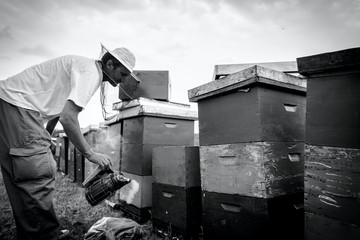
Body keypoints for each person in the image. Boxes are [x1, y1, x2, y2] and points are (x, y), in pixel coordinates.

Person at [0, 43, 136, 240]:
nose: (123, 80)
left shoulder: (83, 66)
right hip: (18, 107)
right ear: (109, 64)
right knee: (36, 175)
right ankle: (45, 235)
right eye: (122, 74)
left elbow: (58, 110)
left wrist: (46, 135)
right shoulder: (91, 73)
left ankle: (33, 233)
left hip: (10, 105)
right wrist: (90, 153)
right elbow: (68, 118)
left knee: (21, 176)